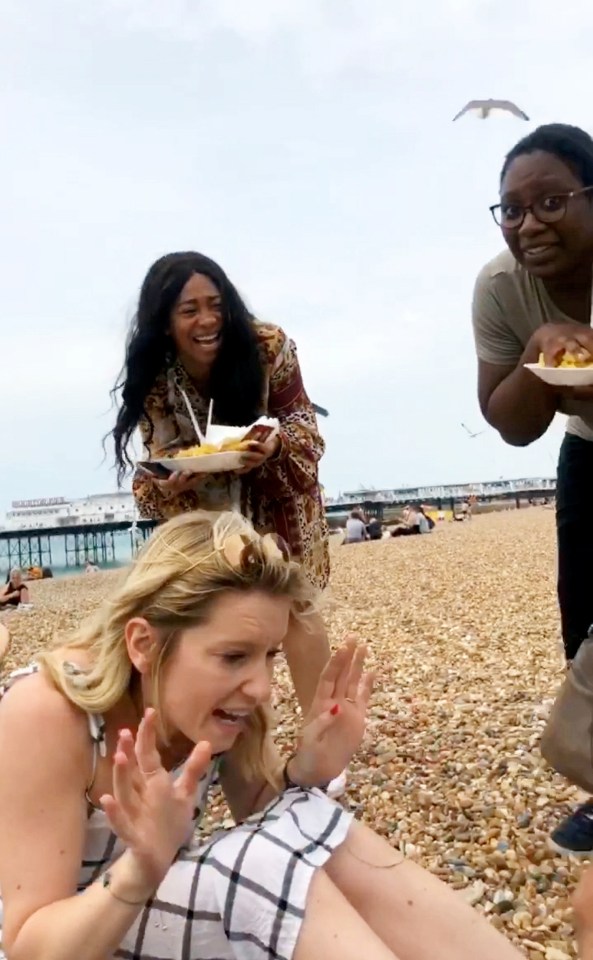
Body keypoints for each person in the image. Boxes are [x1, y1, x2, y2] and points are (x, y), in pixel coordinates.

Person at [0, 510, 523, 960]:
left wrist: (308, 770)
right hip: (68, 938)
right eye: (233, 656)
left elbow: (269, 817)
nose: (261, 686)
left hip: (146, 910)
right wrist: (142, 865)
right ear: (144, 644)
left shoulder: (221, 706)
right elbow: (26, 944)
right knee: (254, 868)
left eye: (269, 654)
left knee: (306, 813)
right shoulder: (50, 712)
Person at [108, 252, 331, 725]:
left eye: (216, 304)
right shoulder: (157, 377)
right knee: (230, 622)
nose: (208, 320)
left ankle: (323, 731)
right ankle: (244, 742)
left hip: (280, 493)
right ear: (165, 322)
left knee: (297, 611)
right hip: (208, 511)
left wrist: (273, 447)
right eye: (189, 310)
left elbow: (305, 429)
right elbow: (154, 472)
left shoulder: (268, 347)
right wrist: (169, 486)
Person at [472, 122, 593, 855]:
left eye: (549, 201)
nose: (527, 224)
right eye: (510, 210)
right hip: (588, 448)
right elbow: (510, 425)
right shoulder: (498, 287)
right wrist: (534, 356)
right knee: (583, 620)